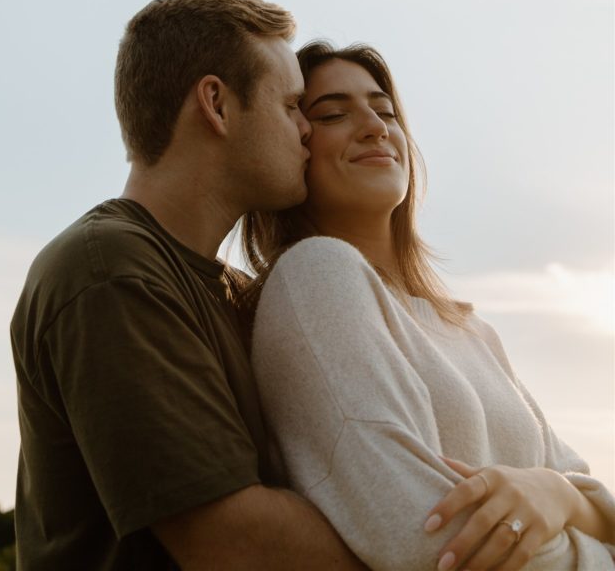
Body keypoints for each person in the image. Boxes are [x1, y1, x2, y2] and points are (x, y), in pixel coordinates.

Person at [10, 0, 370, 571]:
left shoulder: (243, 295)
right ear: (216, 105)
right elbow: (233, 544)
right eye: (291, 106)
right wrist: (444, 545)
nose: (308, 129)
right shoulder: (108, 270)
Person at [244, 41, 615, 571]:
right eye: (332, 114)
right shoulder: (316, 276)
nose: (375, 126)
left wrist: (558, 493)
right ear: (294, 143)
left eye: (386, 110)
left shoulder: (470, 330)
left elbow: (588, 489)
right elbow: (423, 536)